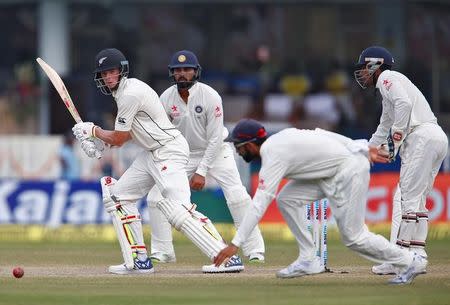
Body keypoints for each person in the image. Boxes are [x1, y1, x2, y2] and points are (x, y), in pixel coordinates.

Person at [72, 48, 244, 275]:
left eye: (112, 72)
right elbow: (130, 132)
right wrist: (100, 143)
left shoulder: (130, 93)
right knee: (119, 197)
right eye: (104, 74)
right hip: (151, 153)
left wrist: (93, 130)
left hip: (169, 150)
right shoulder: (122, 93)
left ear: (121, 71)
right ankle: (139, 260)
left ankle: (226, 257)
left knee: (178, 209)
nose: (108, 77)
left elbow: (121, 138)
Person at [214, 119, 427, 285]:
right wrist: (358, 145)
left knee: (354, 237)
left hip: (349, 172)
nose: (237, 151)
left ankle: (410, 262)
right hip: (330, 174)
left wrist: (235, 244)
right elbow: (320, 134)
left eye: (238, 146)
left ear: (250, 144)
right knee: (287, 199)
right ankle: (309, 259)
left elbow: (260, 202)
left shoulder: (272, 153)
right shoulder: (282, 137)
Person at [147, 50, 265, 265]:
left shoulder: (210, 96)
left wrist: (201, 172)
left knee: (238, 195)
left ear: (196, 71)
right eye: (178, 70)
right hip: (182, 154)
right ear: (172, 74)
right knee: (156, 198)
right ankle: (162, 250)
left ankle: (254, 249)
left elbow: (214, 138)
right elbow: (162, 133)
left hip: (216, 150)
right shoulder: (165, 97)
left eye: (187, 70)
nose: (182, 74)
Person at [354, 46, 448, 275]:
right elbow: (382, 127)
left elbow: (404, 106)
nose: (361, 74)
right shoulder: (389, 92)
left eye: (364, 68)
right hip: (435, 138)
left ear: (375, 66)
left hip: (422, 138)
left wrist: (396, 139)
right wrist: (365, 151)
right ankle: (417, 254)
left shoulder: (387, 77)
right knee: (414, 199)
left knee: (407, 196)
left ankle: (401, 259)